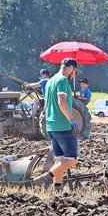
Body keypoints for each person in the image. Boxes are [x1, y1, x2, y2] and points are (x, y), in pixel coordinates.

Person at [32, 58, 82, 191]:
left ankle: (57, 188)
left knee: (60, 160)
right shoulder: (63, 80)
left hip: (51, 125)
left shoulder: (50, 81)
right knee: (72, 159)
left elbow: (47, 104)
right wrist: (72, 120)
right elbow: (62, 101)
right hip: (63, 125)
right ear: (71, 68)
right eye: (75, 72)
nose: (74, 75)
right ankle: (46, 176)